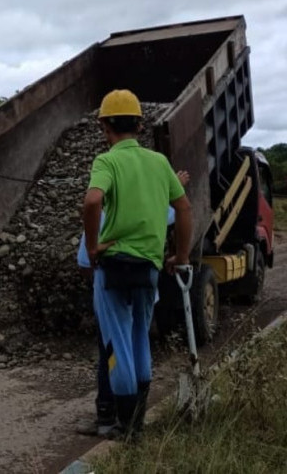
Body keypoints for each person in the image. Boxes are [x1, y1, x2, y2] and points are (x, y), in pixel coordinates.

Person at [82, 89, 193, 441]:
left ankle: (126, 430)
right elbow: (185, 209)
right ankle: (139, 424)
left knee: (116, 345)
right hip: (149, 266)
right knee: (140, 340)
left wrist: (92, 246)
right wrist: (182, 255)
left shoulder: (107, 161)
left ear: (104, 127)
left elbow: (92, 201)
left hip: (113, 267)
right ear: (141, 125)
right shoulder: (159, 163)